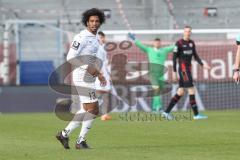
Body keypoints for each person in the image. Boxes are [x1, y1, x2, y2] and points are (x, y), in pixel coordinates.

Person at [56, 8, 106, 149]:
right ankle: (80, 141)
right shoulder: (81, 37)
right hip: (81, 75)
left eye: (97, 21)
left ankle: (64, 134)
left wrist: (98, 73)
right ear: (86, 22)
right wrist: (89, 69)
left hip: (89, 75)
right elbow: (70, 57)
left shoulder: (95, 38)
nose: (94, 23)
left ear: (100, 22)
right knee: (94, 109)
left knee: (87, 109)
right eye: (91, 21)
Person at [162, 26, 210, 120]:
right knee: (192, 90)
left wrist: (203, 65)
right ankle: (196, 115)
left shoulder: (192, 43)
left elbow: (196, 56)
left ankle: (166, 112)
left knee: (180, 91)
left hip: (188, 69)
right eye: (186, 31)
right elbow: (174, 59)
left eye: (189, 31)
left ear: (190, 32)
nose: (188, 33)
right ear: (183, 32)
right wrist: (174, 72)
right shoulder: (179, 43)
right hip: (183, 70)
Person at [128, 33, 175, 113]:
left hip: (161, 75)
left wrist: (182, 42)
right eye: (156, 42)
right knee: (156, 89)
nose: (157, 43)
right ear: (153, 43)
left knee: (158, 92)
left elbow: (173, 47)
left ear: (160, 43)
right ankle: (159, 107)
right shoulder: (149, 50)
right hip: (153, 75)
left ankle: (154, 108)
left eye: (158, 42)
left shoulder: (164, 50)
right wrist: (134, 39)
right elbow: (141, 45)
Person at [95, 31, 112, 121]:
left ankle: (104, 114)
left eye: (103, 37)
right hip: (100, 74)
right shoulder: (97, 49)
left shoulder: (102, 48)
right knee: (98, 93)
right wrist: (100, 73)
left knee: (106, 94)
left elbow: (105, 62)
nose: (103, 39)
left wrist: (109, 73)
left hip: (105, 73)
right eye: (102, 37)